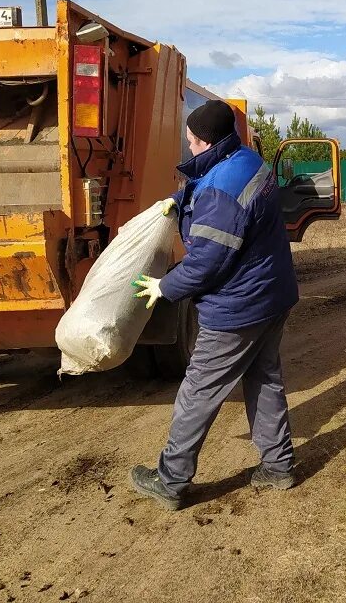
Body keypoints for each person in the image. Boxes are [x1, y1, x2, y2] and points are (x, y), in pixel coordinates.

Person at [129, 99, 299, 511]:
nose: (189, 149)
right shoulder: (248, 160)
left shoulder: (222, 191)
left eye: (191, 142)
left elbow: (207, 261)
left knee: (199, 391)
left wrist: (164, 287)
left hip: (237, 306)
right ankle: (278, 466)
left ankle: (171, 480)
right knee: (264, 377)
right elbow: (212, 182)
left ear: (207, 141)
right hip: (271, 295)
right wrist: (178, 198)